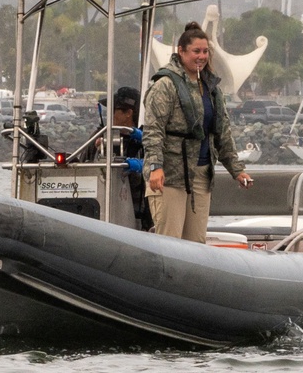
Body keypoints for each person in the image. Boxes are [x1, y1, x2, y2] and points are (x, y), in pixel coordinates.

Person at [142, 22, 252, 242]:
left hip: (201, 175)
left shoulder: (211, 88)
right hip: (170, 176)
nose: (201, 56)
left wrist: (237, 170)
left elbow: (222, 132)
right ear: (181, 52)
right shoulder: (165, 85)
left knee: (196, 243)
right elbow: (153, 131)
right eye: (196, 51)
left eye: (205, 51)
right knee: (170, 241)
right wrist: (156, 166)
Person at [88, 86, 150, 229]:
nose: (109, 115)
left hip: (139, 213)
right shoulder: (99, 136)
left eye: (113, 110)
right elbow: (83, 165)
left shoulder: (147, 140)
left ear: (128, 113)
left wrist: (139, 167)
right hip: (103, 210)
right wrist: (99, 152)